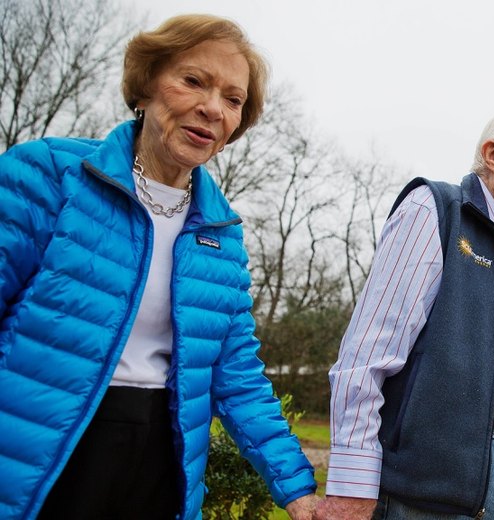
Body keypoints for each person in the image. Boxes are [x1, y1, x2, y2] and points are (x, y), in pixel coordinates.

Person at [0, 14, 318, 520]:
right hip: (46, 454)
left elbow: (237, 377)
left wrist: (299, 494)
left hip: (159, 466)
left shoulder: (221, 232)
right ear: (146, 86)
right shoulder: (47, 175)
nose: (212, 108)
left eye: (233, 100)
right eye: (193, 80)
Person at [315, 102, 494, 520]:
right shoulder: (435, 209)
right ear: (493, 154)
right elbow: (364, 359)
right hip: (435, 488)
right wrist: (352, 487)